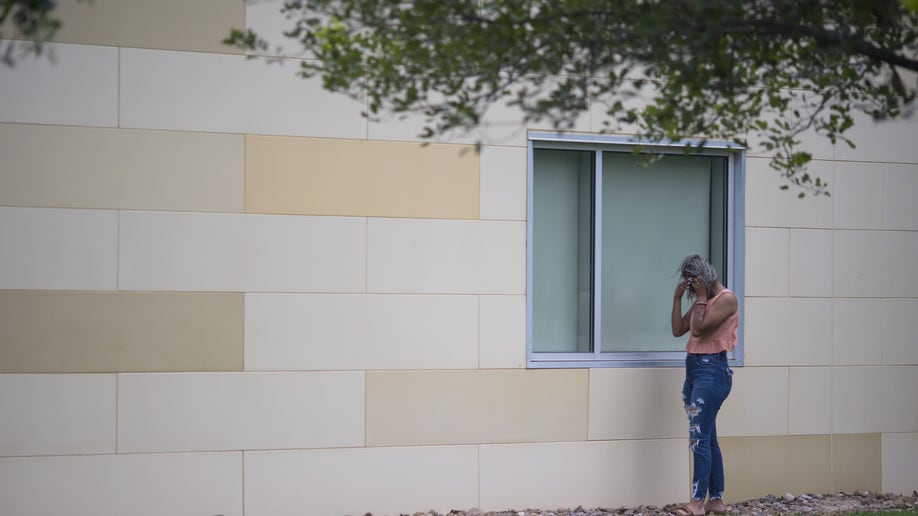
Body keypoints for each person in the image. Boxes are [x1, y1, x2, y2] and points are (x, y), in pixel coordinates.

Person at [671, 254, 739, 516]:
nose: (695, 290)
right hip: (695, 371)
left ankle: (697, 502)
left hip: (713, 372)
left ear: (707, 278)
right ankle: (716, 500)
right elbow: (679, 329)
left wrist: (700, 298)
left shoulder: (726, 299)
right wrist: (678, 299)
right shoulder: (705, 301)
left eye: (697, 283)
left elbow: (698, 330)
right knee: (708, 437)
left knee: (699, 438)